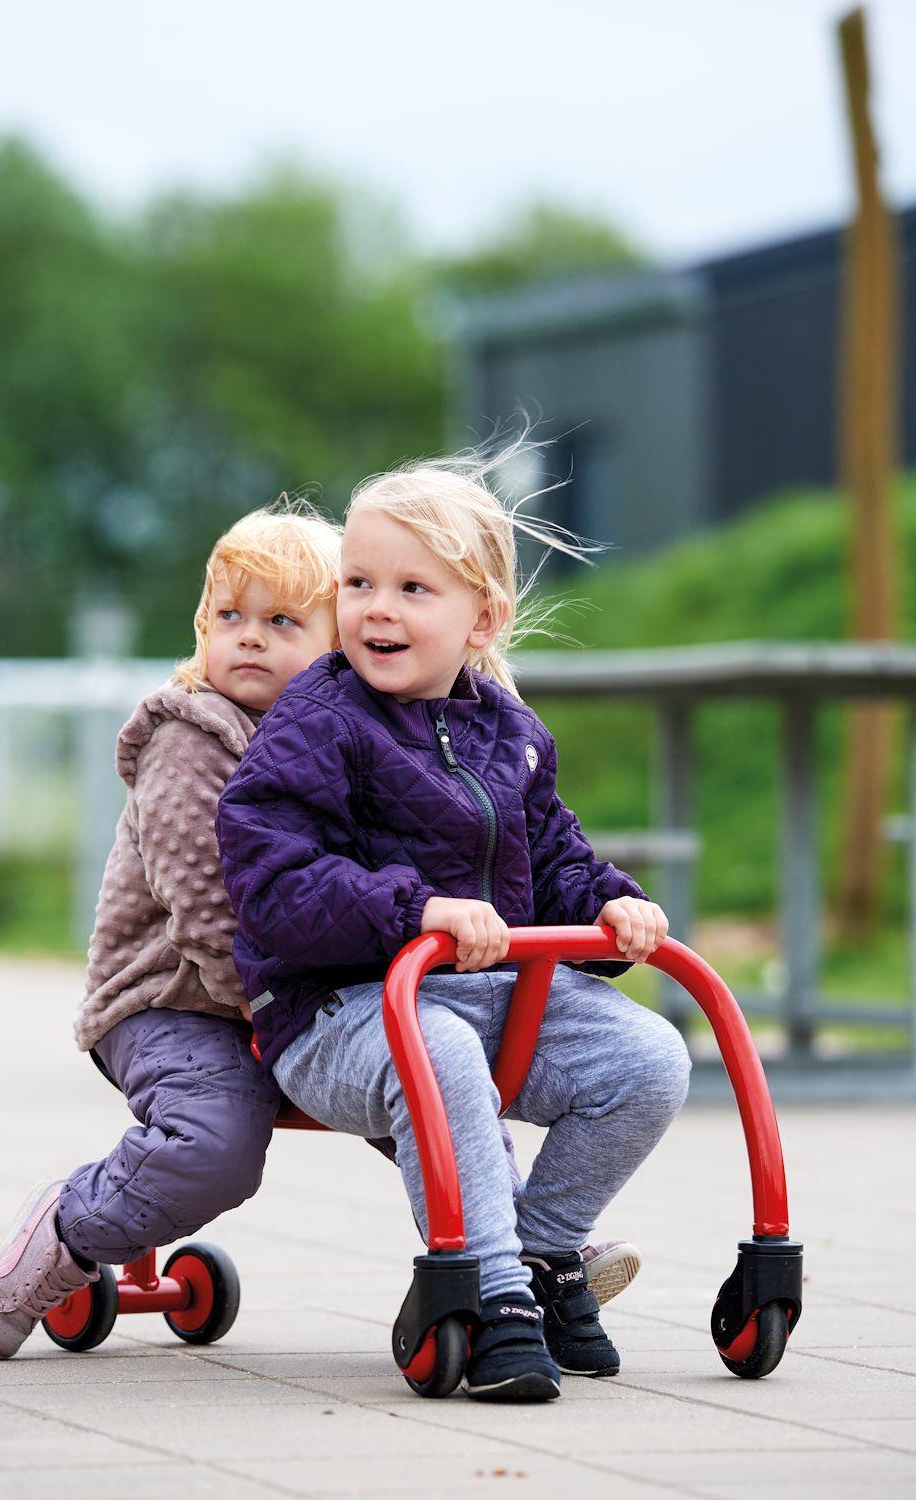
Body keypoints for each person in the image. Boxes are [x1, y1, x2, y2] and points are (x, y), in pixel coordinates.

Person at [217, 448, 691, 1403]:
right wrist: (413, 910)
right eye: (357, 584)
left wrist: (609, 904)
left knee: (651, 1060)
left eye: (411, 588)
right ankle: (493, 1291)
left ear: (484, 618)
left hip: (491, 997)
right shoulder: (320, 717)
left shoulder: (508, 729)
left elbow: (554, 856)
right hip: (339, 1010)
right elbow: (271, 876)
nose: (375, 609)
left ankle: (548, 1253)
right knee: (436, 1050)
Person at [0, 503, 341, 1359]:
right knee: (217, 1140)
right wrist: (291, 1007)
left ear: (338, 643)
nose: (249, 638)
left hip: (288, 993)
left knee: (426, 1077)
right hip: (169, 999)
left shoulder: (343, 743)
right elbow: (204, 909)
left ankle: (522, 1241)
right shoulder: (194, 736)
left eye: (282, 620)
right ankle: (65, 1228)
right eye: (229, 616)